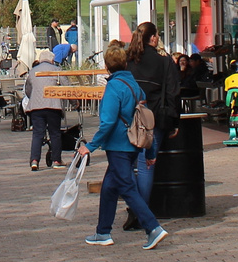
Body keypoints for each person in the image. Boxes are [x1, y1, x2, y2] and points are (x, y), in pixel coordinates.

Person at [77, 41, 167, 250]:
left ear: (107, 66)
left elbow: (107, 122)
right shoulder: (136, 87)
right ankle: (102, 232)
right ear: (126, 64)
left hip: (118, 146)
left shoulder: (113, 87)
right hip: (134, 144)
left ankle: (153, 227)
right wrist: (151, 151)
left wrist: (90, 146)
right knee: (109, 187)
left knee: (126, 187)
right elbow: (146, 123)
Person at [124, 22, 179, 231]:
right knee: (147, 164)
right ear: (154, 38)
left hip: (128, 118)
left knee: (126, 164)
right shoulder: (164, 62)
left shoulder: (128, 61)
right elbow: (173, 92)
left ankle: (134, 207)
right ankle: (141, 211)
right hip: (153, 119)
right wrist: (174, 121)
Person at [23, 49, 65, 171]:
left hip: (36, 107)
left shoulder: (32, 71)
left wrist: (35, 98)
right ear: (52, 60)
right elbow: (66, 86)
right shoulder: (57, 70)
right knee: (55, 133)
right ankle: (56, 160)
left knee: (37, 134)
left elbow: (28, 90)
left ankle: (34, 160)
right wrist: (74, 102)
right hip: (53, 105)